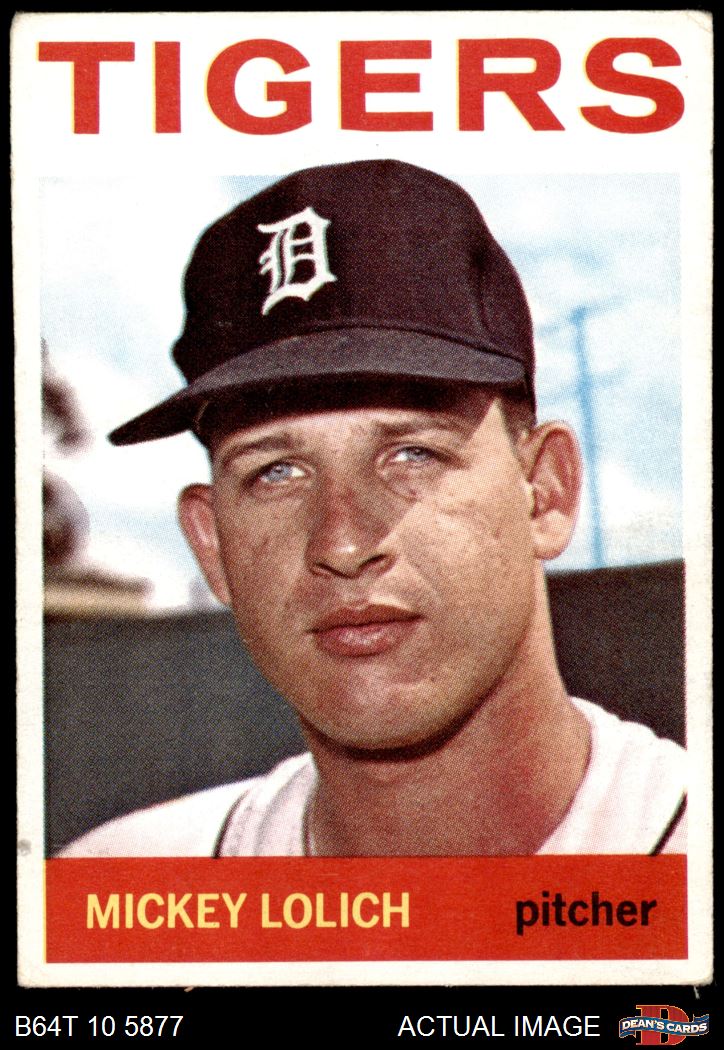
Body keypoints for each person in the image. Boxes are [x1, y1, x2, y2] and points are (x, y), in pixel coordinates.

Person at [59, 159, 686, 857]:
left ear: (545, 492)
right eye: (276, 472)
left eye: (412, 454)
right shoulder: (122, 880)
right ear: (213, 546)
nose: (344, 544)